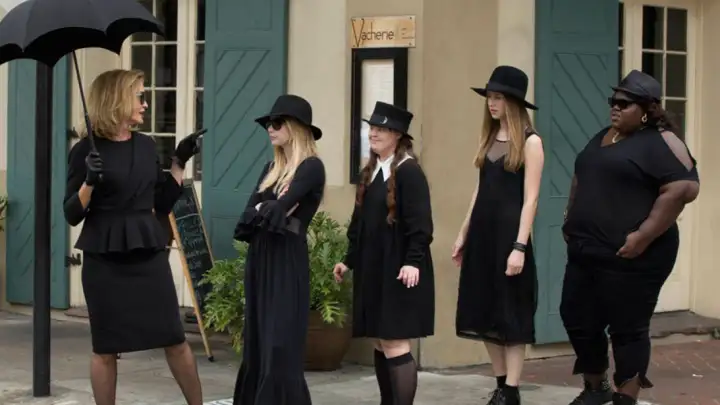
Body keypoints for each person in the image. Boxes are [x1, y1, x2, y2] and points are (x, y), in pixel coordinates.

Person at [63, 69, 204, 405]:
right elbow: (71, 213)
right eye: (139, 96)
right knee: (105, 348)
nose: (145, 104)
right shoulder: (85, 151)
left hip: (147, 254)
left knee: (175, 339)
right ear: (116, 100)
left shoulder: (145, 145)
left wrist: (179, 161)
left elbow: (162, 202)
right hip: (105, 261)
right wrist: (89, 182)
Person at [560, 70, 700, 405]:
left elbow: (684, 188)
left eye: (625, 103)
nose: (615, 107)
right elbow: (582, 174)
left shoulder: (662, 141)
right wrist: (570, 216)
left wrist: (643, 236)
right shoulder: (604, 136)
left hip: (635, 255)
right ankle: (596, 388)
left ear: (648, 110)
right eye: (614, 100)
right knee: (577, 318)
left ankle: (626, 397)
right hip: (586, 251)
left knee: (627, 328)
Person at [452, 65, 545, 405]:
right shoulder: (489, 138)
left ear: (514, 102)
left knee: (511, 313)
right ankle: (501, 385)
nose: (491, 103)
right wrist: (464, 232)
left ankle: (512, 390)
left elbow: (531, 199)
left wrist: (519, 245)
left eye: (499, 97)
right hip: (482, 235)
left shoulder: (531, 142)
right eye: (489, 97)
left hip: (509, 237)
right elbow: (480, 190)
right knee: (484, 311)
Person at [333, 101, 435, 405]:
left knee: (394, 342)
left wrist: (412, 262)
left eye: (381, 129)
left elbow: (421, 224)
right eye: (372, 128)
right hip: (374, 267)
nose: (373, 134)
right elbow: (360, 224)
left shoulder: (409, 172)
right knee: (380, 342)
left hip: (399, 270)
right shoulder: (372, 171)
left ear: (398, 135)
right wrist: (348, 260)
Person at [232, 94, 326, 405]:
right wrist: (268, 207)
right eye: (268, 124)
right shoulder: (270, 168)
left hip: (286, 258)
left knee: (279, 340)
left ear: (296, 128)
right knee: (258, 338)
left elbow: (277, 209)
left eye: (276, 123)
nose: (270, 129)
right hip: (260, 257)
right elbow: (249, 215)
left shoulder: (311, 168)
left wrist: (268, 207)